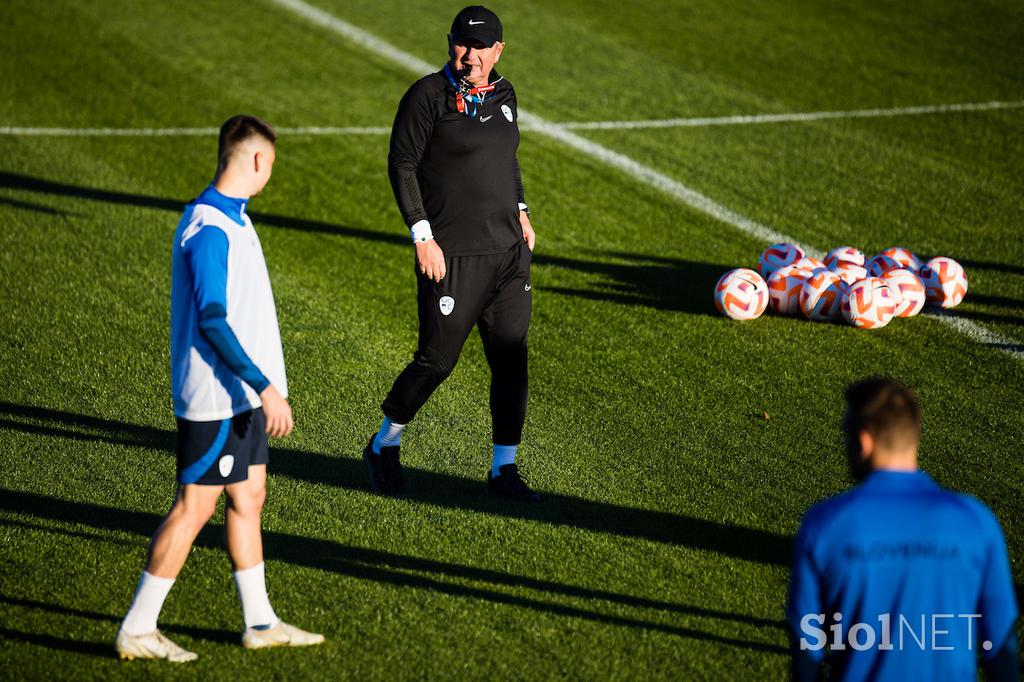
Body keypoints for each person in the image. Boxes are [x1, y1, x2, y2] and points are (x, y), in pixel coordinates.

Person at [115, 115, 324, 662]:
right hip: (218, 396)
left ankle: (259, 622)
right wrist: (265, 387)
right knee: (193, 509)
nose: (269, 175)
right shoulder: (210, 229)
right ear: (256, 160)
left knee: (249, 496)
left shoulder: (234, 217)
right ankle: (138, 626)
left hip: (243, 398)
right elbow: (212, 318)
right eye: (271, 166)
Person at [365, 6, 539, 502]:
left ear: (498, 51)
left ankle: (503, 468)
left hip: (508, 254)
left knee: (510, 360)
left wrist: (521, 208)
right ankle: (383, 446)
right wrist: (422, 236)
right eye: (463, 45)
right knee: (437, 361)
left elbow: (508, 158)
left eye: (481, 47)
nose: (471, 56)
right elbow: (402, 164)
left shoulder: (505, 94)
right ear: (450, 44)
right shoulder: (427, 96)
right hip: (452, 255)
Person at [787, 377, 1019, 681]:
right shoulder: (976, 522)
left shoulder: (826, 524)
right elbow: (1001, 650)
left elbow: (807, 652)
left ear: (864, 441)